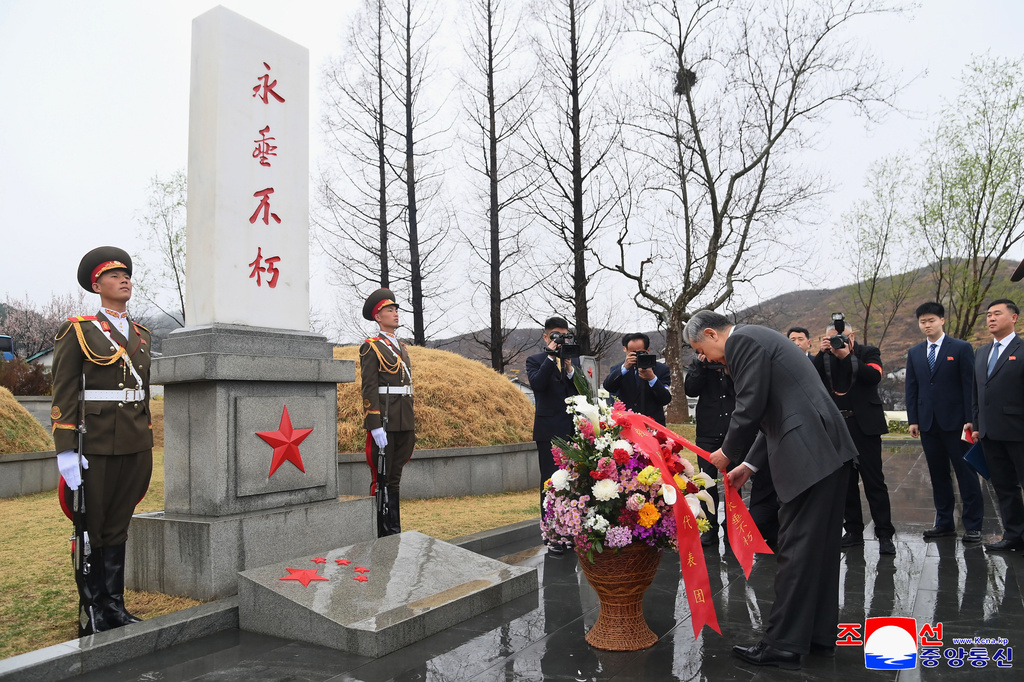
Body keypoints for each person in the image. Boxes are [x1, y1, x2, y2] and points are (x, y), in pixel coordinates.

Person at [686, 310, 855, 670]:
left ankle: (782, 643)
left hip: (811, 455)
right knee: (818, 552)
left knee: (795, 550)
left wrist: (727, 453)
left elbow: (750, 406)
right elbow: (773, 413)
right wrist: (747, 466)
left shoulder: (742, 340)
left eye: (699, 348)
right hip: (825, 452)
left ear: (713, 334)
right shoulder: (758, 339)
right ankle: (817, 637)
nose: (703, 357)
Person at [51, 246, 153, 637]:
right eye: (114, 275)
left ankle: (114, 605)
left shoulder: (141, 335)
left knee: (118, 525)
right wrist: (65, 450)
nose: (124, 280)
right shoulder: (79, 330)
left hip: (134, 443)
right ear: (97, 285)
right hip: (93, 442)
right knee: (91, 525)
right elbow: (63, 390)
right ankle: (90, 607)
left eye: (126, 274)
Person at [814, 319, 896, 555]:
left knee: (874, 482)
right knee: (845, 483)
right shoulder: (825, 357)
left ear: (853, 337)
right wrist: (822, 353)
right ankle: (853, 531)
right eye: (831, 338)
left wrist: (847, 356)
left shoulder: (868, 352)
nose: (837, 342)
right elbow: (811, 378)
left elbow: (873, 376)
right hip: (836, 427)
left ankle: (884, 533)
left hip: (865, 426)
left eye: (843, 337)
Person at [905, 301, 983, 543]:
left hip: (957, 423)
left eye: (931, 320)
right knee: (938, 475)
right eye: (922, 321)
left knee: (966, 473)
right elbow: (912, 388)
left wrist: (971, 419)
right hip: (928, 424)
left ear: (942, 320)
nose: (927, 325)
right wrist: (913, 419)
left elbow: (970, 385)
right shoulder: (915, 352)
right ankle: (944, 522)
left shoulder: (960, 348)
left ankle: (973, 525)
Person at [359, 288, 415, 537]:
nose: (395, 313)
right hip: (385, 420)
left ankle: (395, 529)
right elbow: (369, 387)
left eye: (395, 309)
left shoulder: (402, 348)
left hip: (404, 419)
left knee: (395, 477)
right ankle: (382, 530)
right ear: (378, 317)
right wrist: (374, 424)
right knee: (381, 477)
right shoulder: (371, 347)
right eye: (389, 310)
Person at [972, 299, 1024, 552]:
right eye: (989, 314)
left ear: (1013, 318)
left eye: (997, 314)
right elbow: (976, 391)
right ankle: (1014, 535)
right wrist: (977, 423)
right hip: (990, 432)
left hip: (1018, 431)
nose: (991, 318)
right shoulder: (982, 352)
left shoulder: (1022, 349)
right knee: (1004, 486)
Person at [526, 316, 579, 554]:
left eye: (565, 336)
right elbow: (537, 384)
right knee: (549, 483)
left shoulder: (573, 360)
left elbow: (582, 390)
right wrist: (550, 355)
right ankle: (552, 533)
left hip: (572, 430)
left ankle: (571, 530)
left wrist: (569, 369)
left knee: (573, 483)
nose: (561, 340)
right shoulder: (535, 360)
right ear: (546, 336)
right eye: (556, 335)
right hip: (548, 431)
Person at [683, 351, 734, 547]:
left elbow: (739, 389)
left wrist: (728, 369)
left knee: (733, 482)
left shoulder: (732, 362)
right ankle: (709, 528)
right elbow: (691, 390)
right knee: (706, 482)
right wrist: (700, 366)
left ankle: (732, 527)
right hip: (707, 433)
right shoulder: (699, 365)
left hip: (732, 432)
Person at [603, 332, 672, 425]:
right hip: (626, 423)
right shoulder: (617, 369)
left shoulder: (661, 369)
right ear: (625, 349)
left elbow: (665, 399)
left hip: (653, 424)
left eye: (640, 353)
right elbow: (608, 386)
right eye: (632, 353)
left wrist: (652, 379)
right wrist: (625, 368)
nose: (636, 356)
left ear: (648, 350)